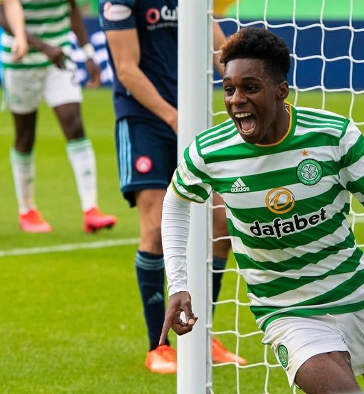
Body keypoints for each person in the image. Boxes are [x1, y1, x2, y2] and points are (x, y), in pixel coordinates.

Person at [160, 28, 364, 392]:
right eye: (229, 88)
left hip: (356, 295)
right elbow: (175, 203)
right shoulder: (210, 151)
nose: (236, 100)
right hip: (286, 311)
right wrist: (179, 284)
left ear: (281, 91)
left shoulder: (333, 136)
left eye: (250, 87)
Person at [99, 0, 245, 374]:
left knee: (220, 225)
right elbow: (126, 68)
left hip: (191, 119)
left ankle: (201, 335)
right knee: (154, 228)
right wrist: (172, 116)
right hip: (143, 120)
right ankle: (159, 346)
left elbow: (220, 52)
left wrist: (246, 85)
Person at [0, 0, 116, 234]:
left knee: (74, 125)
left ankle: (91, 209)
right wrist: (43, 47)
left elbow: (72, 9)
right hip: (20, 60)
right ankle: (27, 210)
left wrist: (88, 54)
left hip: (60, 57)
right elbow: (4, 15)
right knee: (25, 135)